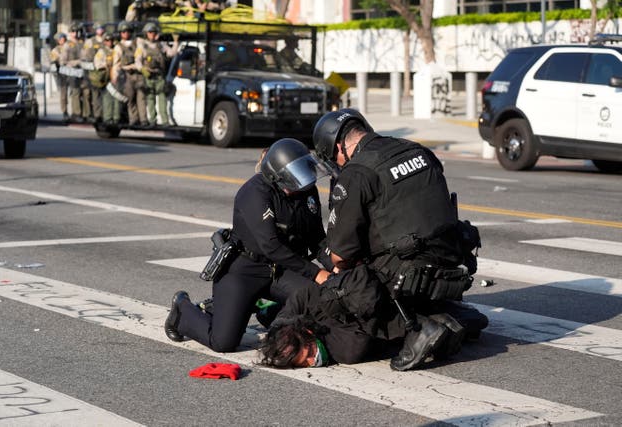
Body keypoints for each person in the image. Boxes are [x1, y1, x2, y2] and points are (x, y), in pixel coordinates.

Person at [297, 108, 488, 371]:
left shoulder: (356, 173)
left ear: (339, 147)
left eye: (334, 158)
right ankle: (449, 313)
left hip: (409, 275)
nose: (337, 164)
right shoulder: (417, 150)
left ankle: (417, 329)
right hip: (453, 262)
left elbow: (341, 253)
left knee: (341, 287)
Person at [164, 138, 333, 352]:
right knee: (223, 342)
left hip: (281, 270)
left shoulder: (306, 190)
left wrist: (334, 264)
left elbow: (316, 236)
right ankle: (183, 310)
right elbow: (271, 245)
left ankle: (268, 309)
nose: (301, 183)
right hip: (244, 268)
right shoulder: (254, 192)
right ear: (276, 176)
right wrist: (315, 272)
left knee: (318, 299)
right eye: (294, 177)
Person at [135, 22, 179, 127]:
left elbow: (171, 53)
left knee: (162, 98)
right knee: (150, 99)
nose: (152, 35)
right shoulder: (142, 46)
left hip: (159, 76)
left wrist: (176, 42)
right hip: (149, 75)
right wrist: (142, 69)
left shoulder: (161, 45)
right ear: (146, 33)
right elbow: (137, 60)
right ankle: (152, 120)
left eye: (154, 32)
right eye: (150, 32)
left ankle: (164, 121)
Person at [113, 21, 149, 127]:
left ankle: (143, 119)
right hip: (127, 75)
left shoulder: (137, 43)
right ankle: (133, 119)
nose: (126, 34)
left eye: (128, 31)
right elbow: (116, 64)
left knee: (141, 98)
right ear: (120, 33)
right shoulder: (118, 47)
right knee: (131, 98)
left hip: (139, 75)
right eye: (123, 32)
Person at [60, 22, 86, 123]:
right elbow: (63, 61)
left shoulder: (81, 43)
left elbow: (85, 56)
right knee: (74, 93)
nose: (74, 34)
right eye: (72, 32)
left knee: (81, 92)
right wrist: (77, 62)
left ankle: (82, 112)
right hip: (70, 72)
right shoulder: (67, 45)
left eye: (76, 32)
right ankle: (76, 113)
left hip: (81, 71)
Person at [82, 23, 106, 123]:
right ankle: (96, 114)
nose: (100, 31)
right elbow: (85, 56)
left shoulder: (107, 40)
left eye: (101, 29)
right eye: (98, 29)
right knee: (94, 94)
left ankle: (104, 114)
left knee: (105, 94)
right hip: (93, 71)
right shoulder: (90, 41)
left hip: (105, 70)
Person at [94, 33, 120, 125]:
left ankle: (116, 117)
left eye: (111, 40)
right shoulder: (102, 52)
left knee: (117, 98)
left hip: (116, 77)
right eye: (107, 40)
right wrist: (105, 65)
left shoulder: (116, 50)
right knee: (107, 99)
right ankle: (107, 118)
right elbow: (97, 64)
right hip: (106, 78)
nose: (110, 42)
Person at [50, 33, 69, 122]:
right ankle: (65, 112)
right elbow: (53, 61)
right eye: (60, 38)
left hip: (72, 73)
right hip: (62, 74)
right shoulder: (56, 50)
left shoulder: (69, 47)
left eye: (63, 38)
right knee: (63, 95)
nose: (62, 40)